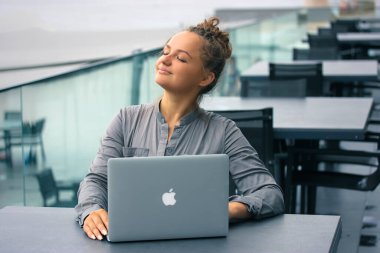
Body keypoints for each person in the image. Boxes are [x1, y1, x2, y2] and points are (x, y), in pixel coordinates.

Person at [75, 17, 284, 241]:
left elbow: (270, 194)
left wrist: (226, 210)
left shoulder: (224, 131)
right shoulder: (126, 119)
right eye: (165, 52)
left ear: (205, 78)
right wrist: (92, 211)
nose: (165, 60)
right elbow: (96, 180)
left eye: (181, 58)